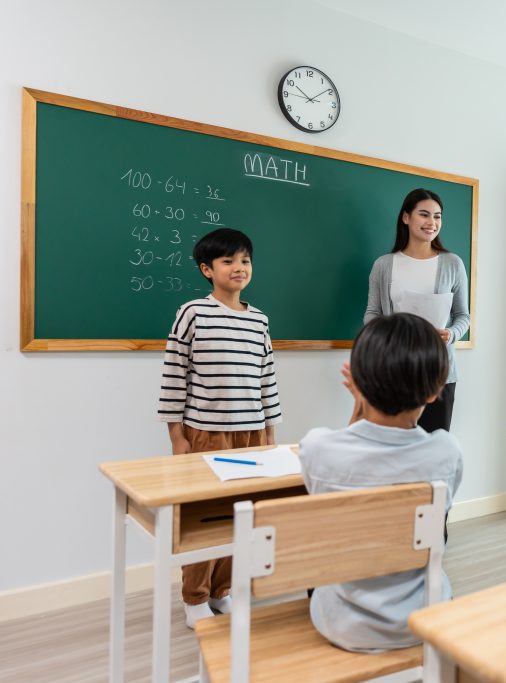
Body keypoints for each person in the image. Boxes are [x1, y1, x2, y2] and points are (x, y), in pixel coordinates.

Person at [298, 312, 463, 652]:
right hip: (424, 617)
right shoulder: (446, 452)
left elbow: (346, 451)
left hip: (342, 625)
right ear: (435, 390)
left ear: (358, 380)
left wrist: (360, 409)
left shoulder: (317, 448)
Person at [157, 227, 282, 629]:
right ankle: (194, 595)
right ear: (206, 269)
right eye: (228, 261)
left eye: (245, 260)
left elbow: (267, 378)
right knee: (203, 519)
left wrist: (270, 435)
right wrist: (177, 435)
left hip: (252, 435)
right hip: (207, 433)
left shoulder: (259, 319)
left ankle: (222, 590)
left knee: (239, 518)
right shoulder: (192, 312)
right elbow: (175, 375)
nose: (239, 267)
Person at [364, 188, 470, 432]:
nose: (432, 223)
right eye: (424, 215)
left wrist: (451, 334)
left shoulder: (452, 263)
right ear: (406, 217)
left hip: (438, 372)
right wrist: (386, 336)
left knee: (433, 453)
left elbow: (463, 316)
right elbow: (372, 313)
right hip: (393, 370)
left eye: (437, 216)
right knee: (393, 453)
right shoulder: (383, 265)